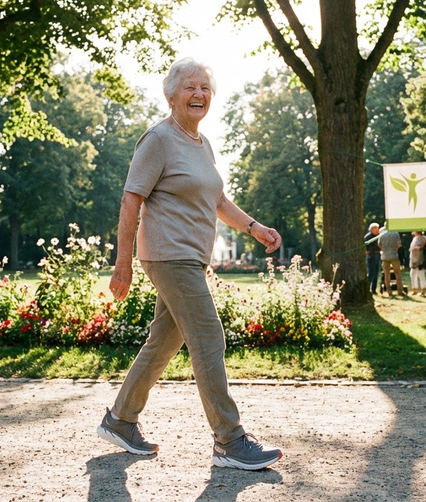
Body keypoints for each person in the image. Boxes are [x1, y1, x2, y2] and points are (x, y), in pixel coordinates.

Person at [96, 58, 284, 471]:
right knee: (208, 338)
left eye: (205, 88)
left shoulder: (201, 143)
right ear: (171, 95)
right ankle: (229, 440)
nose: (199, 94)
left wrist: (254, 228)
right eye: (189, 87)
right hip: (168, 254)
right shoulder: (158, 139)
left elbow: (215, 200)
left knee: (164, 341)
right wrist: (122, 262)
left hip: (190, 258)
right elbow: (132, 198)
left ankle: (121, 419)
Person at [378, 226, 405, 296]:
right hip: (394, 255)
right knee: (398, 274)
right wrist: (394, 248)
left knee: (386, 275)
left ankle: (389, 292)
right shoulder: (395, 233)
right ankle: (400, 291)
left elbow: (379, 244)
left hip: (384, 256)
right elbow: (399, 244)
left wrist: (384, 249)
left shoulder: (381, 233)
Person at [408, 231, 426, 296]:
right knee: (412, 274)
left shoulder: (423, 238)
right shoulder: (414, 238)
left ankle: (423, 291)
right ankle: (415, 290)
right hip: (413, 259)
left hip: (420, 259)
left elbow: (422, 247)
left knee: (421, 275)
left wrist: (415, 248)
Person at [364, 223, 382, 295]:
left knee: (376, 273)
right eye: (376, 228)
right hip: (371, 255)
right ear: (372, 229)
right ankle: (367, 288)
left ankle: (374, 289)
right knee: (371, 273)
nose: (378, 230)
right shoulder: (368, 237)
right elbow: (365, 247)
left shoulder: (378, 236)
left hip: (377, 254)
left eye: (378, 228)